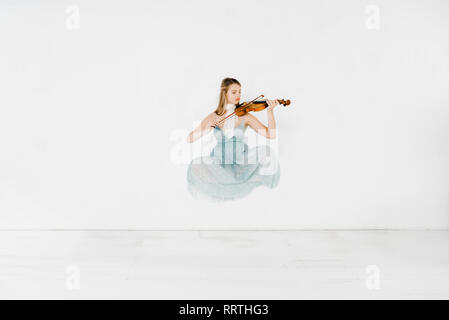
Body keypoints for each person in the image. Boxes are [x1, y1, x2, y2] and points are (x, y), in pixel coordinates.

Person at [186, 77, 280, 201]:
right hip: (220, 162)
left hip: (241, 160)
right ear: (225, 93)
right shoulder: (214, 116)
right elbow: (190, 139)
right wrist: (205, 129)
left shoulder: (245, 115)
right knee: (196, 164)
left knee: (266, 152)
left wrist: (270, 111)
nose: (238, 95)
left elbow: (271, 135)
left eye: (240, 91)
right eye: (234, 92)